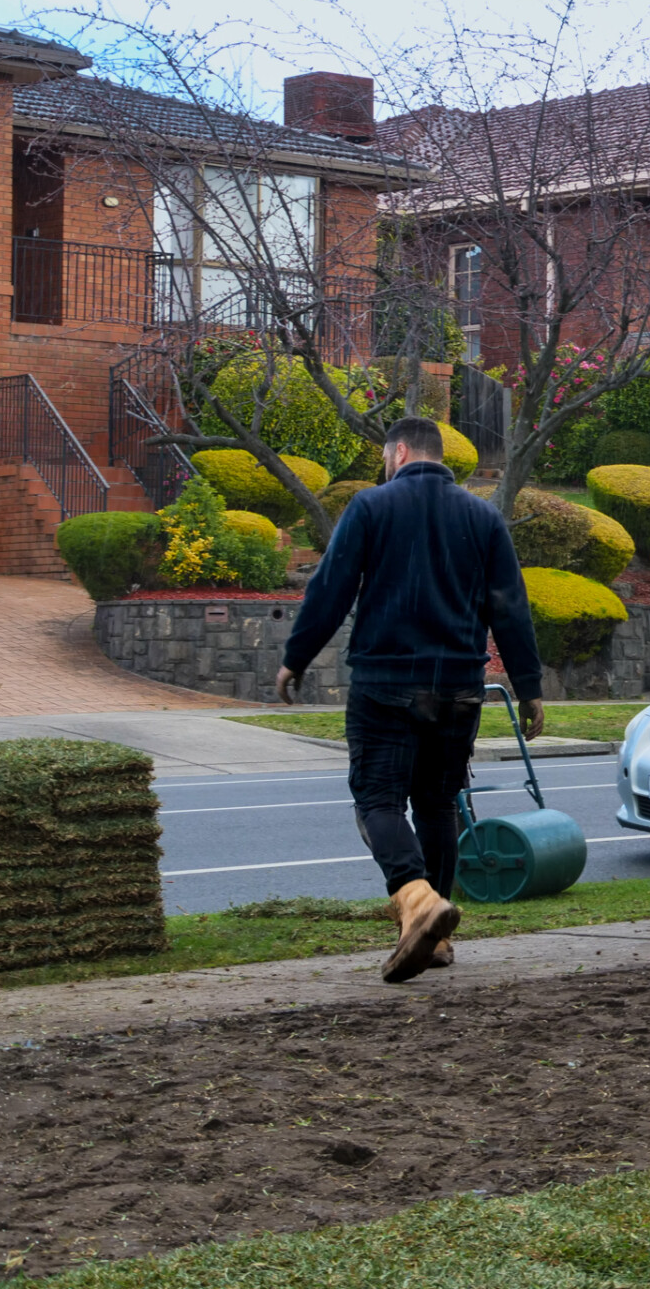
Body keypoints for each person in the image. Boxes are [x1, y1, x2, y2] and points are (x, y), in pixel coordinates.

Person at [276, 416, 544, 984]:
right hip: (461, 687)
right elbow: (509, 605)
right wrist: (529, 686)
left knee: (377, 801)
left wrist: (295, 657)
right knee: (438, 805)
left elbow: (331, 588)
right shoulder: (483, 516)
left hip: (386, 682)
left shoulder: (371, 506)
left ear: (398, 452)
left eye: (384, 456)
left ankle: (417, 900)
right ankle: (435, 938)